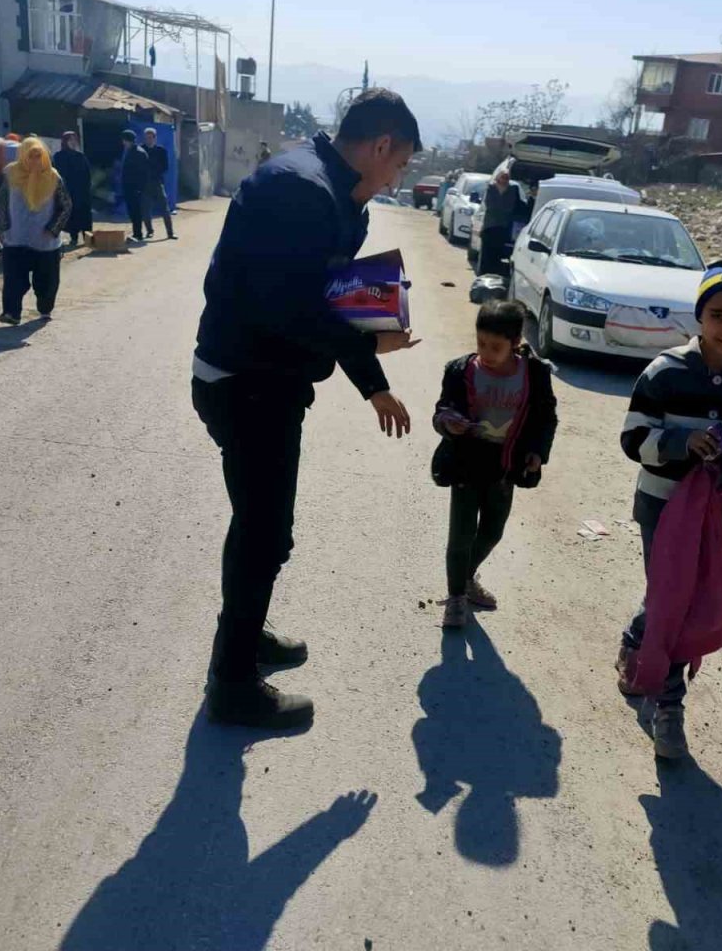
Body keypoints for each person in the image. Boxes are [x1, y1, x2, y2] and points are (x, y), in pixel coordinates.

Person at [191, 88, 422, 729]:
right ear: (380, 147)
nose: (397, 176)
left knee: (263, 531)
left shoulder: (340, 199)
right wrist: (374, 342)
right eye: (400, 163)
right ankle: (232, 684)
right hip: (245, 382)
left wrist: (372, 380)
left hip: (269, 382)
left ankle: (246, 631)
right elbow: (286, 313)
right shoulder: (301, 191)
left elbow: (334, 303)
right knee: (264, 534)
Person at [618, 268, 722, 758]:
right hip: (661, 505)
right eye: (717, 315)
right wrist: (681, 442)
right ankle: (669, 709)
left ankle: (635, 640)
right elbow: (632, 438)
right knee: (674, 597)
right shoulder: (664, 371)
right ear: (699, 315)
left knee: (680, 595)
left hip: (716, 515)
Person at [431, 300, 558, 629]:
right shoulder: (460, 370)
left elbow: (546, 418)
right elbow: (442, 409)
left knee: (491, 531)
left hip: (505, 467)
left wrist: (537, 453)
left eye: (496, 347)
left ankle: (466, 575)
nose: (486, 352)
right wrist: (449, 421)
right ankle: (456, 597)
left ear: (516, 343)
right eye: (481, 343)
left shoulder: (535, 374)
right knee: (460, 534)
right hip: (465, 463)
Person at [0, 137, 72, 325]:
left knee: (46, 281)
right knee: (13, 279)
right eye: (31, 156)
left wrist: (53, 229)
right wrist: (2, 228)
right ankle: (11, 313)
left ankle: (45, 309)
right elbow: (3, 203)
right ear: (22, 156)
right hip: (16, 237)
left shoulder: (53, 177)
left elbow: (66, 205)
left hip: (44, 240)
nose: (35, 160)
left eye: (39, 155)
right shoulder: (10, 174)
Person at [52, 131, 93, 247]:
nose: (74, 143)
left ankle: (88, 238)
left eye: (75, 140)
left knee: (85, 215)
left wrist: (88, 188)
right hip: (67, 191)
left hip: (82, 191)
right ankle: (73, 237)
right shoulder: (59, 157)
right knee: (71, 215)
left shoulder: (80, 156)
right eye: (71, 140)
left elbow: (87, 174)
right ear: (65, 142)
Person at [478, 170, 520, 275]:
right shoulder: (491, 188)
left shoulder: (512, 190)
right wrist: (500, 209)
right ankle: (483, 274)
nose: (504, 180)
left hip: (503, 227)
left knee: (497, 253)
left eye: (507, 177)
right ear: (498, 178)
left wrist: (500, 209)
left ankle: (493, 274)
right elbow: (490, 206)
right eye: (503, 177)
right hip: (489, 226)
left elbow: (509, 207)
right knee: (486, 252)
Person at [141, 128, 176, 240]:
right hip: (145, 184)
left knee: (164, 209)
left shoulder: (161, 151)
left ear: (155, 138)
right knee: (146, 209)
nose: (148, 140)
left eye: (151, 137)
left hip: (157, 182)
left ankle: (170, 233)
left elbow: (165, 167)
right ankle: (149, 231)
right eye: (147, 138)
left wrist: (153, 171)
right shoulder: (141, 150)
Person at [119, 129, 151, 242]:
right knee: (133, 211)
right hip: (130, 187)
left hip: (135, 188)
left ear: (127, 140)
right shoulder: (131, 151)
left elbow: (143, 173)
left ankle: (138, 234)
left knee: (135, 211)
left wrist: (139, 188)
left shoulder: (138, 153)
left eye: (124, 140)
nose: (123, 143)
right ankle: (137, 233)